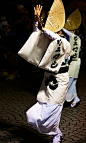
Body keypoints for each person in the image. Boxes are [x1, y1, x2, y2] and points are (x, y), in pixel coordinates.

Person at [24, 2, 71, 143]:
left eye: (53, 32)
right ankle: (56, 130)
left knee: (53, 111)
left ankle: (56, 133)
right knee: (32, 114)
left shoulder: (64, 43)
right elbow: (38, 35)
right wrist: (36, 22)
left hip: (60, 81)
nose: (50, 35)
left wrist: (43, 27)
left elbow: (53, 37)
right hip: (48, 81)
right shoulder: (51, 41)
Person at [62, 9, 82, 107]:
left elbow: (73, 53)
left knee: (69, 82)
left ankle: (65, 99)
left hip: (74, 63)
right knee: (72, 82)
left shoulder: (75, 38)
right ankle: (75, 98)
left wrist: (61, 26)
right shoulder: (74, 38)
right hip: (74, 63)